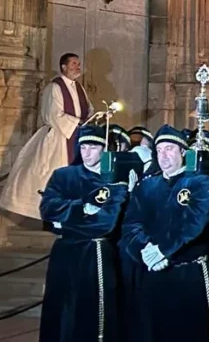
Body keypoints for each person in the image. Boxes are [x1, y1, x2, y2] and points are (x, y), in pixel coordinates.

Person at [119, 125, 209, 342]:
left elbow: (195, 222)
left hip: (190, 275)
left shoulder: (200, 182)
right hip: (154, 273)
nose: (163, 155)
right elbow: (131, 225)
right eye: (159, 150)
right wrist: (145, 250)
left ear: (183, 153)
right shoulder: (147, 186)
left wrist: (162, 250)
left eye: (169, 149)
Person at [39, 125, 131, 342]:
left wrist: (66, 221)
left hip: (95, 253)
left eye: (93, 147)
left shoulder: (114, 181)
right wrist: (82, 208)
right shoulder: (63, 176)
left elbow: (105, 224)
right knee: (61, 306)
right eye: (83, 147)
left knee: (93, 308)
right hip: (65, 252)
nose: (87, 152)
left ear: (104, 149)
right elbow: (48, 209)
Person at [0, 53, 93, 220]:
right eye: (73, 64)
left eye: (78, 64)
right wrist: (76, 123)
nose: (77, 67)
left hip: (78, 136)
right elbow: (53, 114)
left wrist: (92, 119)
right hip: (59, 138)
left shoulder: (79, 87)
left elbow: (87, 109)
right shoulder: (54, 87)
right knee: (51, 174)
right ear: (63, 67)